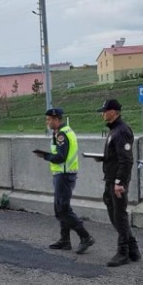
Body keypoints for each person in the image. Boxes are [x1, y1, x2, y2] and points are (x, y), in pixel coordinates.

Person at [33, 107, 95, 251]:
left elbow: (61, 157)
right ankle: (65, 240)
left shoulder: (62, 134)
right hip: (63, 174)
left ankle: (85, 237)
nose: (47, 122)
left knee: (63, 209)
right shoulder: (63, 132)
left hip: (64, 175)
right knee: (61, 208)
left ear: (56, 119)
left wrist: (45, 156)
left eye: (49, 120)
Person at [95, 99, 140, 266]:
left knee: (119, 214)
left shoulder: (121, 131)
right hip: (111, 178)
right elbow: (116, 155)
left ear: (114, 112)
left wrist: (120, 182)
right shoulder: (114, 130)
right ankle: (133, 248)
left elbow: (126, 159)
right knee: (114, 212)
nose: (103, 113)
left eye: (105, 111)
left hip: (117, 180)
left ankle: (123, 252)